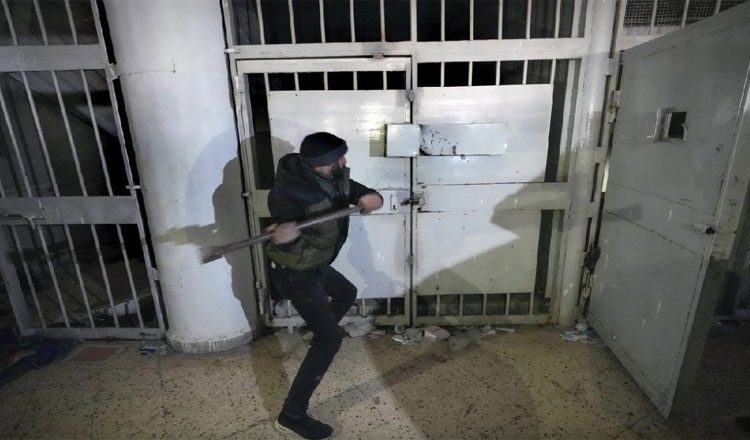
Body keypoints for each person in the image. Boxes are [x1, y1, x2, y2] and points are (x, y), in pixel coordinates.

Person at [265, 132, 383, 440]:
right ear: (318, 163)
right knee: (331, 339)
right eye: (336, 158)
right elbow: (284, 233)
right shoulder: (286, 191)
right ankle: (291, 416)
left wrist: (372, 197)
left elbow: (361, 193)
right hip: (293, 271)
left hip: (315, 264)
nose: (343, 161)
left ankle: (317, 334)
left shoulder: (335, 177)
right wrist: (286, 236)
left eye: (342, 155)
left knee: (346, 292)